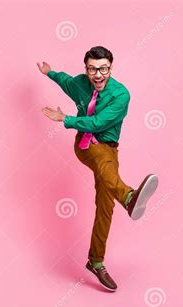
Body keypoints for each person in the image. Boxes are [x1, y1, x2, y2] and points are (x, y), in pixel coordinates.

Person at [37, 46, 158, 291]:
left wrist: (66, 119)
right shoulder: (81, 83)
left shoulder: (120, 95)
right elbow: (65, 81)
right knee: (103, 161)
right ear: (87, 69)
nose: (98, 75)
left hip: (110, 150)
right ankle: (129, 196)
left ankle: (96, 261)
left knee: (105, 206)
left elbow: (100, 122)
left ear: (111, 68)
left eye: (103, 68)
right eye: (92, 69)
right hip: (87, 146)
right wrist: (49, 73)